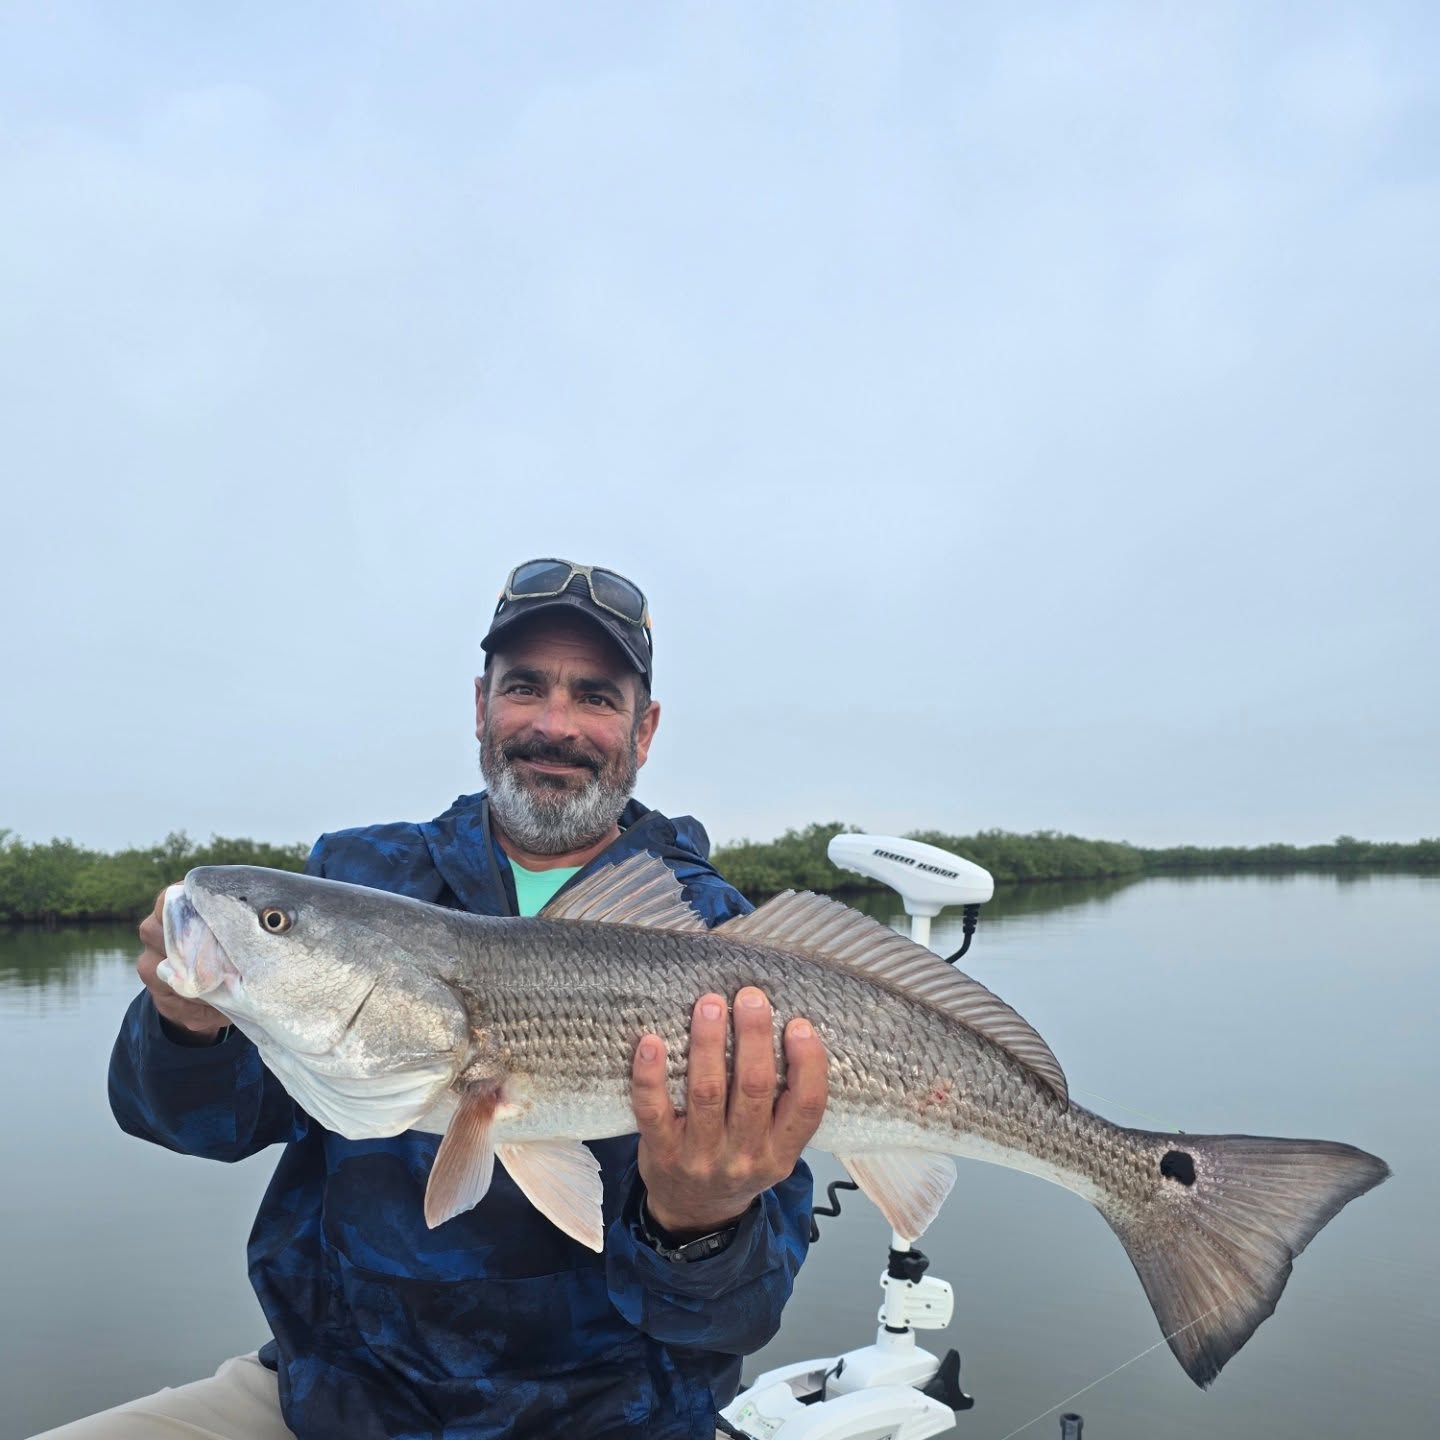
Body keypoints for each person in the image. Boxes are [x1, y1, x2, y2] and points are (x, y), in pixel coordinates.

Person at [50, 560, 828, 1440]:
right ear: (480, 707)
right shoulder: (358, 877)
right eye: (524, 686)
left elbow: (738, 1318)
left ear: (644, 731)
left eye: (596, 697)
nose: (553, 723)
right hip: (336, 1399)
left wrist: (700, 1223)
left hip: (612, 1421)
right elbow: (197, 1127)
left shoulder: (722, 943)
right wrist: (184, 1022)